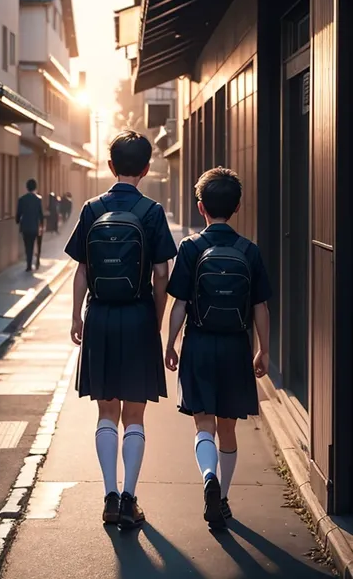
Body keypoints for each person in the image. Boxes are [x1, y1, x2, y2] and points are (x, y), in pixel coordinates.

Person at [65, 131, 177, 529]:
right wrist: (157, 317)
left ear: (110, 166)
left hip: (100, 317)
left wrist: (77, 316)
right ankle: (130, 499)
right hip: (138, 315)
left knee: (106, 411)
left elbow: (81, 269)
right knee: (135, 414)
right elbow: (162, 272)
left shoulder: (92, 207)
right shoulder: (151, 211)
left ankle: (109, 497)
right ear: (146, 169)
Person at [165, 167, 271, 530]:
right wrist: (263, 351)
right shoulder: (250, 251)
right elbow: (260, 306)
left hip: (199, 343)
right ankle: (222, 498)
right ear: (238, 206)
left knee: (203, 424)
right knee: (228, 428)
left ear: (200, 207)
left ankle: (207, 475)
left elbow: (178, 302)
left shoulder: (191, 248)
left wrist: (170, 342)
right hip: (235, 347)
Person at [15, 179, 44, 272]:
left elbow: (18, 213)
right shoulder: (38, 199)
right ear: (35, 187)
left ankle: (29, 265)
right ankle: (37, 260)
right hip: (35, 226)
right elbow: (41, 214)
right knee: (36, 244)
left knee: (28, 245)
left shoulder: (22, 199)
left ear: (27, 187)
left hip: (25, 226)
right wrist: (41, 225)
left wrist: (18, 221)